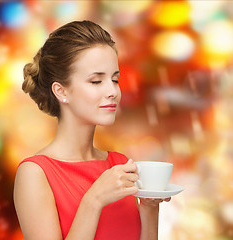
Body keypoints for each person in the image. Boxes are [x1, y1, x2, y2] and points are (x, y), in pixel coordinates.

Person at [13, 20, 170, 240]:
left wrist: (150, 207)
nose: (112, 91)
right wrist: (93, 201)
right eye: (96, 81)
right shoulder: (36, 174)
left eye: (115, 79)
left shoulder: (120, 166)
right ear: (61, 91)